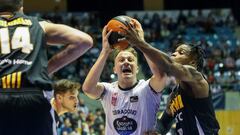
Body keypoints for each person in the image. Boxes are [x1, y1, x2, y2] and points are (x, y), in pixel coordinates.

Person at [0, 0, 93, 135]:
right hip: (33, 97)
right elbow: (84, 41)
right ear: (21, 8)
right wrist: (45, 69)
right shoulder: (38, 24)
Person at [120, 21, 220, 134]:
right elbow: (163, 123)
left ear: (192, 62)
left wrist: (139, 42)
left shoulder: (197, 78)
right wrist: (155, 132)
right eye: (174, 51)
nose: (174, 54)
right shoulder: (174, 95)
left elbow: (168, 65)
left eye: (181, 52)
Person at [82, 19, 167, 134]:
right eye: (121, 60)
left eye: (130, 60)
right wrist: (105, 51)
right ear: (114, 69)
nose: (126, 62)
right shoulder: (108, 90)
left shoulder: (147, 88)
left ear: (137, 68)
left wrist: (141, 43)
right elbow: (88, 89)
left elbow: (161, 77)